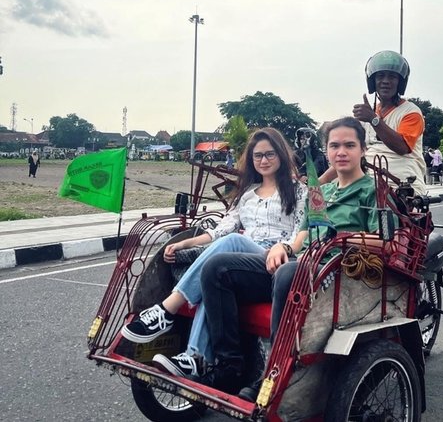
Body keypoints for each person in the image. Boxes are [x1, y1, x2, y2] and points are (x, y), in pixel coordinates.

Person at [186, 117, 380, 396]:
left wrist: (341, 239)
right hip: (302, 265)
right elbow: (302, 235)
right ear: (326, 151)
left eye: (349, 145)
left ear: (362, 149)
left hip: (339, 273)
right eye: (334, 145)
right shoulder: (321, 192)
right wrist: (286, 248)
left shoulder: (372, 191)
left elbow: (385, 241)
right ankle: (229, 367)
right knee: (217, 268)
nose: (341, 152)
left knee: (289, 272)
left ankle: (275, 374)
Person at [121, 128, 308, 379]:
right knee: (213, 275)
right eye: (257, 156)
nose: (263, 160)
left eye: (270, 154)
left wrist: (284, 248)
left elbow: (302, 232)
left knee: (234, 242)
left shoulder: (298, 190)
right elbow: (220, 232)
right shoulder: (247, 194)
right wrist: (186, 243)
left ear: (281, 156)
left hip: (277, 261)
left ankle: (167, 310)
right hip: (242, 266)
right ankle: (194, 356)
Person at [349, 50, 426, 190]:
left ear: (400, 82)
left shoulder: (411, 112)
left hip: (402, 187)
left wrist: (373, 119)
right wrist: (319, 182)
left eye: (392, 77)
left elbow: (402, 147)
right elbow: (350, 155)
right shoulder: (366, 116)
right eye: (380, 76)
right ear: (372, 82)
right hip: (367, 184)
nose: (385, 81)